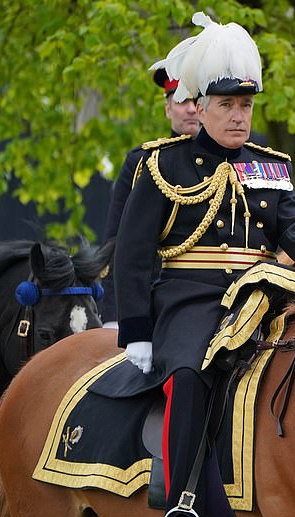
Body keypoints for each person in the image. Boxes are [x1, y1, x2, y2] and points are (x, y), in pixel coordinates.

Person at [115, 11, 295, 517]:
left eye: (246, 107)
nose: (239, 118)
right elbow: (132, 253)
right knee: (191, 372)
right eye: (226, 106)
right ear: (203, 108)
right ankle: (182, 508)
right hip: (189, 297)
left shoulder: (269, 166)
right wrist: (137, 331)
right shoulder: (160, 164)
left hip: (263, 292)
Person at [100, 68, 201, 328]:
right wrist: (116, 316)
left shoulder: (235, 162)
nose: (190, 109)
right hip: (157, 301)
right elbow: (117, 242)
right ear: (168, 109)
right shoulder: (144, 161)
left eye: (196, 101)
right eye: (181, 101)